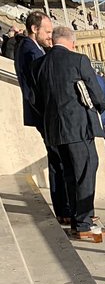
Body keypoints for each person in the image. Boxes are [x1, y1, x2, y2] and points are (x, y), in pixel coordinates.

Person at [31, 24, 105, 239]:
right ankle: (84, 223)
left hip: (53, 129)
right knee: (85, 172)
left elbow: (35, 99)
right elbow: (97, 94)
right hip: (78, 128)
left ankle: (77, 220)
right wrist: (99, 109)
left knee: (69, 175)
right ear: (71, 42)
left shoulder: (38, 64)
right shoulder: (79, 60)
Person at [13, 11, 71, 225]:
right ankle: (64, 209)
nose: (50, 36)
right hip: (45, 116)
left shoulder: (29, 48)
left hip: (43, 115)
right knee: (60, 162)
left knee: (57, 161)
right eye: (47, 32)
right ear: (34, 29)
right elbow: (38, 87)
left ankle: (64, 210)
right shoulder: (30, 52)